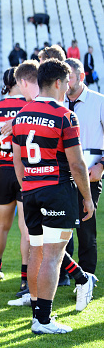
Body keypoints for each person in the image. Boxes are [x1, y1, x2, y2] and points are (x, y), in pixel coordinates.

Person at [11, 59, 95, 334]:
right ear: (59, 82)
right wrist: (87, 197)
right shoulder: (65, 115)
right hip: (57, 191)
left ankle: (38, 313)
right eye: (68, 79)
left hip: (31, 192)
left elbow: (18, 159)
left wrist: (28, 186)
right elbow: (77, 164)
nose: (69, 84)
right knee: (53, 256)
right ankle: (43, 320)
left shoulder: (21, 115)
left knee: (37, 250)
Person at [0, 68, 30, 287]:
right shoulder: (31, 106)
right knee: (26, 227)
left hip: (3, 170)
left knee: (1, 225)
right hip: (27, 172)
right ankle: (24, 279)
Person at [63, 58, 104, 277]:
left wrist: (102, 166)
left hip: (89, 174)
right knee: (61, 226)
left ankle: (87, 275)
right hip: (61, 175)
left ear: (81, 76)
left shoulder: (99, 102)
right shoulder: (57, 104)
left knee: (86, 228)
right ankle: (63, 274)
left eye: (70, 76)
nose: (66, 81)